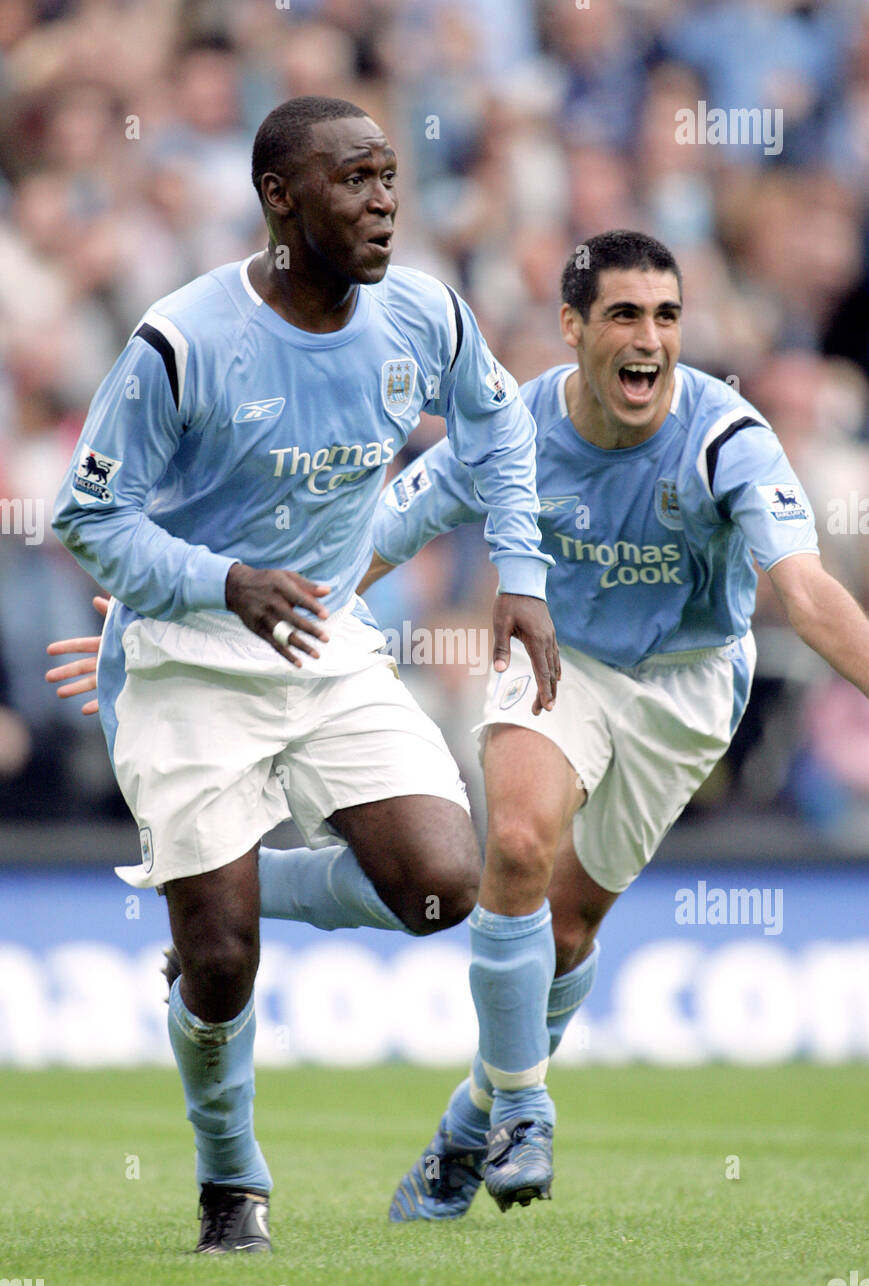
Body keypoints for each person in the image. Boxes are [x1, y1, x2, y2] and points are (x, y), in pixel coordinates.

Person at [56, 229, 869, 1224]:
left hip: (687, 687)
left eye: (664, 316)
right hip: (551, 659)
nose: (647, 338)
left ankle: (465, 1112)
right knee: (515, 845)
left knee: (564, 936)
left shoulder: (723, 437)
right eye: (622, 314)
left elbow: (810, 595)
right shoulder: (513, 428)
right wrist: (186, 635)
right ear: (571, 327)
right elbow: (372, 541)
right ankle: (523, 1108)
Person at [50, 94, 558, 1252]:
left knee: (442, 887)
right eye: (354, 180)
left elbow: (498, 432)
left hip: (325, 644)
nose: (384, 201)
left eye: (390, 178)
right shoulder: (180, 340)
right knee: (223, 967)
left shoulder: (423, 312)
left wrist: (518, 575)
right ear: (280, 197)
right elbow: (89, 517)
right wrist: (218, 580)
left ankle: (213, 888)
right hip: (186, 655)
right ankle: (231, 1175)